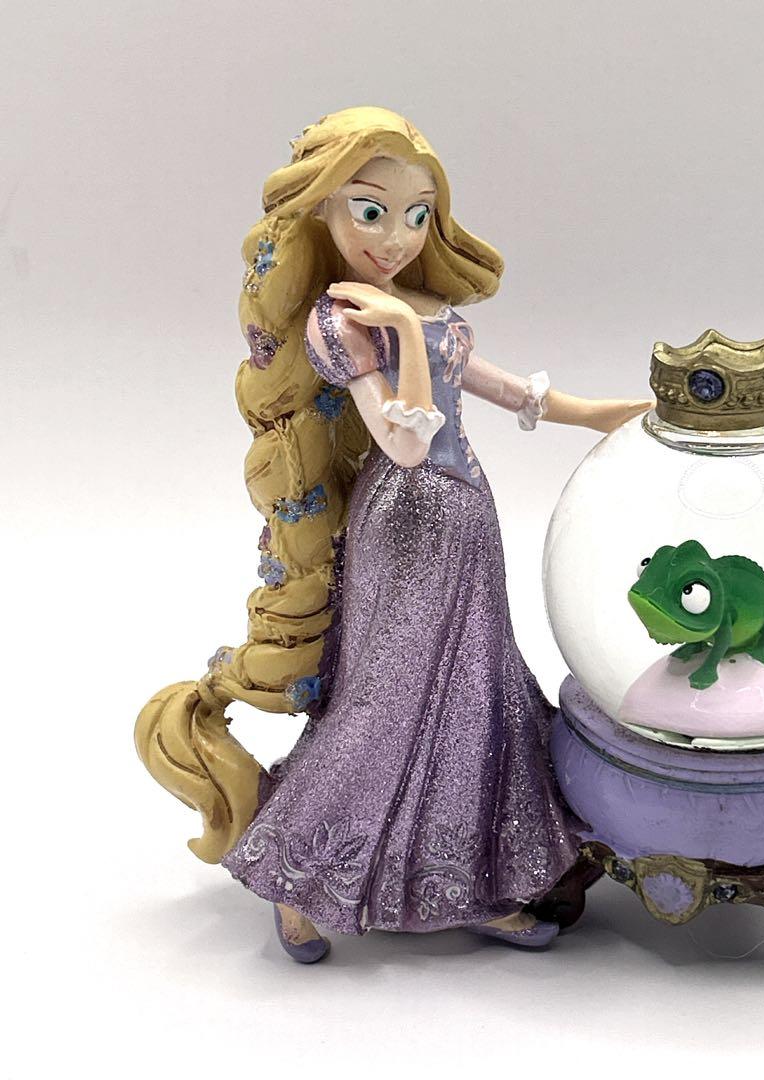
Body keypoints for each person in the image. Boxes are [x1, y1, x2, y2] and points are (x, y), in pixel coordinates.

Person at [135, 106, 651, 961]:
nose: (396, 237)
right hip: (405, 521)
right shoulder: (340, 320)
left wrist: (606, 413)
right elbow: (406, 442)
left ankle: (472, 885)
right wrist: (404, 329)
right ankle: (293, 876)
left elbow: (506, 389)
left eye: (416, 214)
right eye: (370, 211)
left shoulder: (420, 303)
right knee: (384, 704)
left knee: (476, 694)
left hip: (467, 518)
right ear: (324, 208)